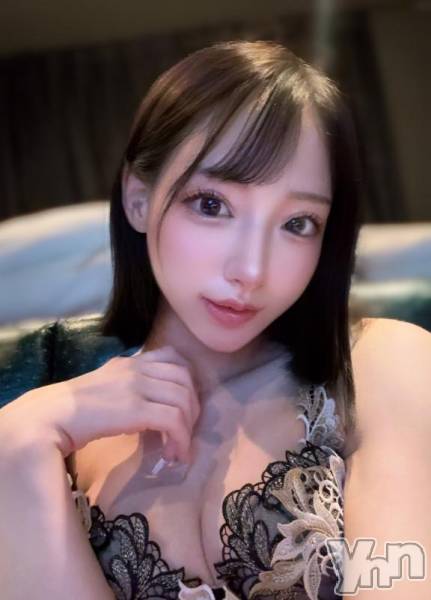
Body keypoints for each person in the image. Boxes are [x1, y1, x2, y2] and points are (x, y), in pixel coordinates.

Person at [0, 40, 430, 600]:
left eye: (298, 223)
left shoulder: (385, 366)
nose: (251, 270)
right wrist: (18, 436)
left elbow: (399, 581)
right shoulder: (62, 440)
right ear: (138, 199)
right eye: (211, 205)